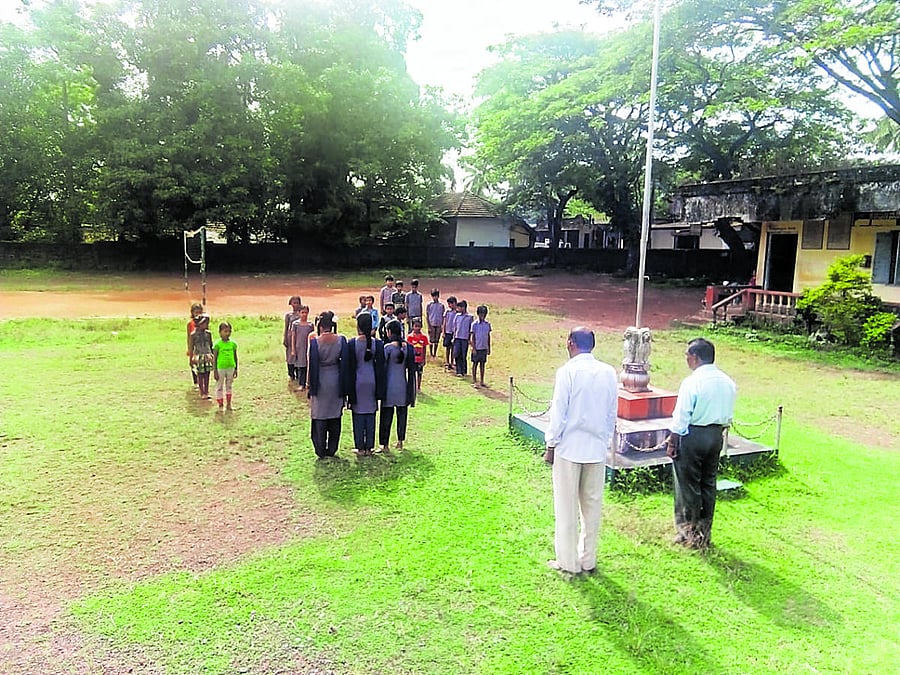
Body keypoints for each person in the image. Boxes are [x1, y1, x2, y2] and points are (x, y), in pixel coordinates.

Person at [544, 327, 618, 576]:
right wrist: (605, 441)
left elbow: (559, 412)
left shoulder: (567, 372)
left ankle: (568, 562)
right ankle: (588, 559)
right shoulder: (608, 372)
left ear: (571, 343)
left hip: (570, 448)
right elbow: (611, 413)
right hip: (595, 449)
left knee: (566, 507)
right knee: (592, 507)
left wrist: (550, 444)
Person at [666, 337, 736, 550]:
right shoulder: (728, 382)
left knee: (687, 485)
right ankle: (704, 532)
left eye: (687, 355)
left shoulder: (692, 382)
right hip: (716, 435)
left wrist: (672, 440)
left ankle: (688, 533)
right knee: (708, 483)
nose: (686, 359)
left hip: (693, 435)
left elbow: (682, 416)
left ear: (695, 358)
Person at [307, 311, 349, 459]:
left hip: (320, 380)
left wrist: (309, 386)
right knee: (334, 414)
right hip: (336, 378)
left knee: (320, 414)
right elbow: (345, 363)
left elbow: (312, 366)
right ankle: (332, 448)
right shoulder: (341, 340)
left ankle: (320, 448)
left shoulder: (315, 342)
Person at [345, 312, 385, 457]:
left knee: (358, 414)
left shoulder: (352, 343)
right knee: (371, 413)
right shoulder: (377, 343)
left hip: (358, 381)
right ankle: (370, 446)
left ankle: (360, 447)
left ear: (358, 326)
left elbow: (349, 366)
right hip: (372, 380)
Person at [379, 320, 416, 452]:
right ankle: (400, 441)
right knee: (402, 415)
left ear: (389, 332)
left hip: (389, 386)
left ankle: (385, 445)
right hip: (402, 385)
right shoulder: (408, 347)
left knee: (386, 416)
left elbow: (382, 367)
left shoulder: (388, 348)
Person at [213, 321, 238, 411]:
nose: (227, 333)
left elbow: (235, 357)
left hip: (231, 367)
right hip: (220, 368)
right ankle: (220, 405)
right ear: (220, 332)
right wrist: (214, 370)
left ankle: (229, 404)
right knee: (219, 386)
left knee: (229, 386)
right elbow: (214, 359)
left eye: (229, 331)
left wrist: (236, 369)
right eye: (225, 331)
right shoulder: (217, 344)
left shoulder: (233, 344)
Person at [189, 314, 215, 399]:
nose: (206, 325)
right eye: (205, 323)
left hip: (207, 355)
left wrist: (213, 356)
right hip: (199, 356)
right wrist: (191, 359)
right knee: (200, 374)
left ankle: (206, 392)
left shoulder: (208, 334)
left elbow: (211, 345)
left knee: (207, 374)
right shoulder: (193, 335)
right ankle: (202, 392)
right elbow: (191, 347)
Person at [290, 305, 315, 389]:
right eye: (302, 312)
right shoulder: (295, 324)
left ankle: (308, 383)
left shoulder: (310, 325)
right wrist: (293, 349)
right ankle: (301, 384)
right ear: (299, 313)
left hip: (307, 347)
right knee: (301, 366)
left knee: (308, 365)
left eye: (306, 312)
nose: (304, 314)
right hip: (299, 347)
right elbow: (293, 336)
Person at [469, 304, 491, 387]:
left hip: (483, 347)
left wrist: (488, 347)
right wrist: (473, 347)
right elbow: (473, 336)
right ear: (478, 314)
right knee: (475, 364)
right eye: (481, 314)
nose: (483, 316)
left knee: (482, 364)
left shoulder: (487, 324)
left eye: (484, 314)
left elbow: (488, 336)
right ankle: (474, 381)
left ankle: (482, 381)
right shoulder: (474, 324)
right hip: (477, 347)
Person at [283, 296, 302, 382]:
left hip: (299, 338)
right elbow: (286, 327)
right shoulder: (288, 315)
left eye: (297, 303)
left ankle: (299, 374)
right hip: (290, 338)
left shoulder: (301, 314)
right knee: (290, 356)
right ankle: (291, 374)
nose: (295, 305)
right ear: (290, 304)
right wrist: (285, 338)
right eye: (294, 303)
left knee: (299, 355)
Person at [407, 318, 429, 391]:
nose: (417, 328)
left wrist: (424, 359)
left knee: (419, 373)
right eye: (415, 326)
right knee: (412, 373)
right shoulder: (409, 337)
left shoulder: (424, 337)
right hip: (413, 359)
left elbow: (425, 348)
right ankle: (412, 387)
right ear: (412, 326)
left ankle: (418, 387)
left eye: (419, 326)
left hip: (420, 359)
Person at [453, 299, 474, 377]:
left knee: (463, 354)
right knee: (457, 354)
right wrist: (454, 336)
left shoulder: (469, 317)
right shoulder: (457, 316)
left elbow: (470, 329)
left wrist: (470, 338)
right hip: (457, 337)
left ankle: (464, 370)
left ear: (464, 307)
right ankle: (458, 370)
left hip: (465, 338)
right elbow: (455, 326)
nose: (458, 309)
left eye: (459, 307)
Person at [186, 302, 204, 386]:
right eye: (196, 312)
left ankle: (202, 381)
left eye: (199, 312)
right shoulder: (190, 324)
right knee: (193, 363)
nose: (198, 314)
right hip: (194, 345)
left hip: (202, 346)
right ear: (192, 313)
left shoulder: (204, 323)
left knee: (201, 364)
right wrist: (189, 349)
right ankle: (195, 381)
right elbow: (189, 336)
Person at [426, 289, 444, 358]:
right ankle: (431, 353)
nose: (435, 298)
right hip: (432, 324)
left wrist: (442, 326)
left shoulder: (441, 305)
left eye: (436, 296)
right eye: (433, 296)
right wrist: (428, 326)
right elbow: (427, 315)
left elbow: (443, 316)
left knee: (437, 339)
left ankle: (435, 353)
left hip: (438, 324)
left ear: (438, 296)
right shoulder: (429, 305)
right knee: (431, 339)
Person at [442, 296, 458, 370]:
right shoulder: (447, 312)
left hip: (454, 332)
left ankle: (452, 362)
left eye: (451, 304)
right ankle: (447, 361)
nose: (449, 305)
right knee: (447, 347)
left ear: (455, 303)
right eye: (448, 304)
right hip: (448, 331)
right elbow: (444, 322)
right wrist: (443, 331)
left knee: (453, 348)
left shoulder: (458, 313)